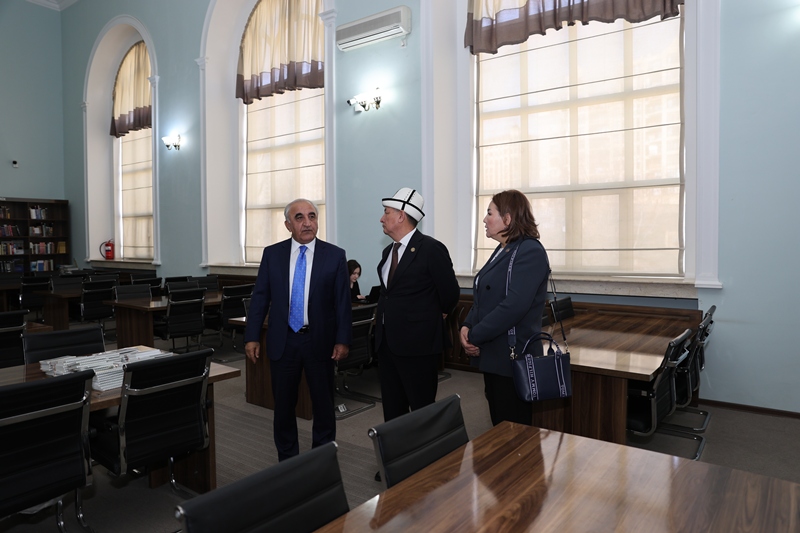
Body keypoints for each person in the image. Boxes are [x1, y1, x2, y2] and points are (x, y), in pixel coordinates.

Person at [244, 198, 352, 461]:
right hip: (284, 341)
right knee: (283, 406)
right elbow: (260, 298)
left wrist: (343, 340)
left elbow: (342, 303)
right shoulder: (273, 254)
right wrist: (252, 336)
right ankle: (288, 460)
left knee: (323, 404)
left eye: (312, 216)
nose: (307, 223)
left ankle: (322, 458)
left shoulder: (335, 255)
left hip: (320, 341)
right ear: (288, 225)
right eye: (299, 217)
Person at [460, 190, 549, 426]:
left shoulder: (529, 251)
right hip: (495, 352)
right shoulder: (504, 249)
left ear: (507, 219)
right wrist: (467, 325)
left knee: (513, 429)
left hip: (513, 356)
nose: (484, 219)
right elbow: (483, 295)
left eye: (490, 213)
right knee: (499, 420)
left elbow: (513, 306)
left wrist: (475, 335)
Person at [375, 187, 460, 422]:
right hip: (387, 344)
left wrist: (438, 313)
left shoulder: (431, 249)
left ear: (401, 216)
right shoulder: (388, 251)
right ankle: (397, 447)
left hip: (418, 344)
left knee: (422, 410)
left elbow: (450, 292)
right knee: (393, 409)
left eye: (387, 212)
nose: (382, 218)